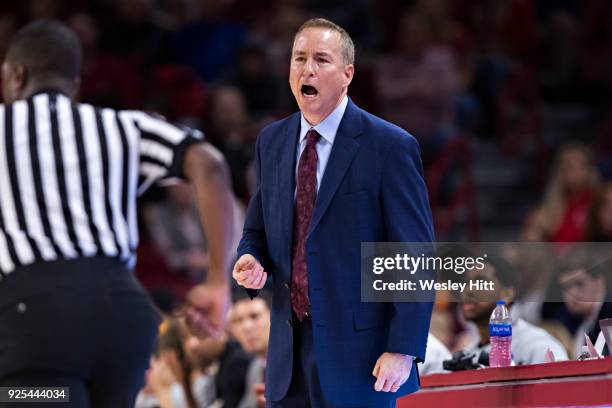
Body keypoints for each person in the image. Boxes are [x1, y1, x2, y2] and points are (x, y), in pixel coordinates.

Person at [0, 20, 235, 407]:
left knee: (30, 398)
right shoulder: (122, 126)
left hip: (36, 318)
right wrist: (216, 280)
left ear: (16, 75)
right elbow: (209, 164)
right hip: (122, 317)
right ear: (74, 85)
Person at [233, 18, 435, 408]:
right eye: (299, 58)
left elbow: (414, 254)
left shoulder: (390, 146)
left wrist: (403, 348)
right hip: (288, 355)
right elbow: (257, 230)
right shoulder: (271, 141)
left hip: (361, 358)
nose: (307, 69)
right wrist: (249, 258)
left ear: (347, 74)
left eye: (321, 60)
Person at [460, 256, 569, 365]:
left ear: (507, 294)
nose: (468, 290)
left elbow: (565, 380)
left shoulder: (536, 344)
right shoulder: (467, 353)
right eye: (466, 282)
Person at [228, 292, 271, 408]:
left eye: (254, 316)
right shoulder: (255, 367)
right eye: (239, 320)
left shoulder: (296, 362)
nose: (247, 326)